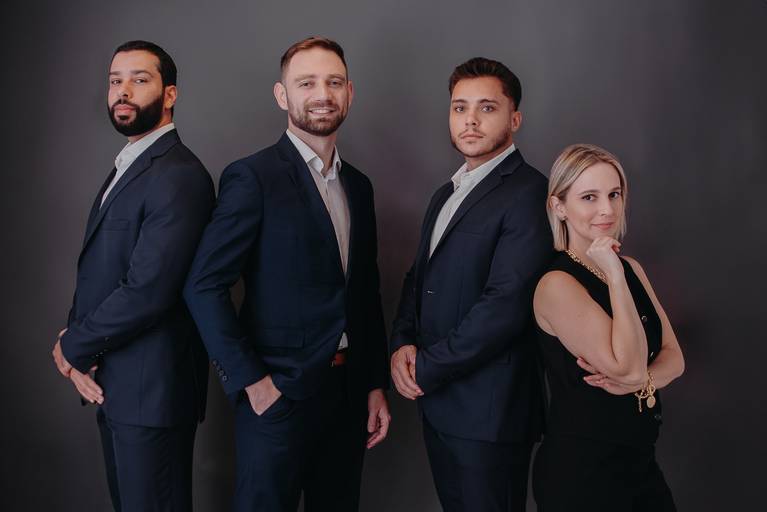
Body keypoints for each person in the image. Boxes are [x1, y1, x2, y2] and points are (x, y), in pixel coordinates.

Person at [183, 36, 390, 512]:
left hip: (348, 396)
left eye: (333, 82)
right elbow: (204, 284)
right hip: (278, 395)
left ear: (350, 93)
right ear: (282, 95)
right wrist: (252, 382)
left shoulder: (359, 186)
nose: (322, 94)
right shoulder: (253, 177)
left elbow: (364, 291)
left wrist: (373, 382)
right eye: (307, 83)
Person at [51, 40, 215, 511]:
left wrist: (73, 346)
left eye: (139, 80)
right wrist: (79, 343)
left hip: (153, 395)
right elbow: (102, 269)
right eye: (114, 81)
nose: (123, 91)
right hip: (118, 386)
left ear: (170, 94)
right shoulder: (129, 165)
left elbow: (149, 290)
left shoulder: (179, 174)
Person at [390, 57, 552, 512]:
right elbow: (418, 277)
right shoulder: (445, 193)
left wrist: (426, 367)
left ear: (514, 119)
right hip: (441, 406)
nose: (471, 120)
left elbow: (506, 305)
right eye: (460, 108)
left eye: (487, 108)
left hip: (491, 414)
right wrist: (402, 343)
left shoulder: (530, 193)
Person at [531, 143, 685, 511]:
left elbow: (675, 358)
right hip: (583, 473)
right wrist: (614, 276)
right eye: (590, 197)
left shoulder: (633, 269)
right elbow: (628, 367)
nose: (608, 209)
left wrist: (644, 381)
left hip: (639, 462)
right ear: (558, 206)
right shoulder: (556, 284)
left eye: (614, 194)